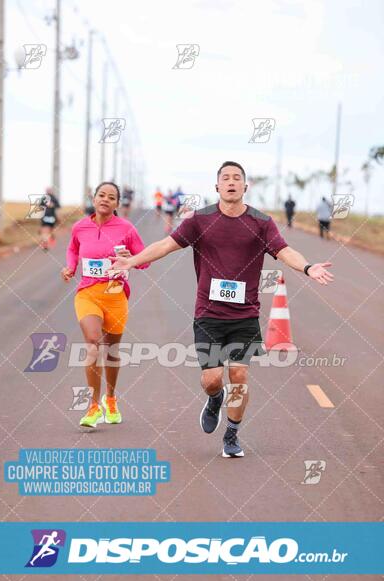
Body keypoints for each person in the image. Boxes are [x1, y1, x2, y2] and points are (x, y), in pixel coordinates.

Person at [108, 161, 334, 458]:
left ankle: (232, 434)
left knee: (239, 375)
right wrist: (131, 261)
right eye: (225, 178)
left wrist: (307, 267)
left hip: (245, 316)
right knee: (212, 379)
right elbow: (166, 245)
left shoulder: (261, 222)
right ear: (217, 187)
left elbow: (284, 251)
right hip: (208, 315)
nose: (231, 182)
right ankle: (215, 399)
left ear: (245, 186)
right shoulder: (199, 221)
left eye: (237, 178)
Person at [61, 182, 149, 428]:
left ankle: (110, 398)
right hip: (87, 293)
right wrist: (70, 267)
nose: (105, 200)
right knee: (93, 344)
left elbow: (144, 260)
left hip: (115, 294)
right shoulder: (80, 227)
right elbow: (72, 249)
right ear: (94, 197)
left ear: (117, 204)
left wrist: (129, 260)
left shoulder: (127, 228)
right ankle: (93, 406)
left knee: (111, 351)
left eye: (111, 197)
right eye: (102, 195)